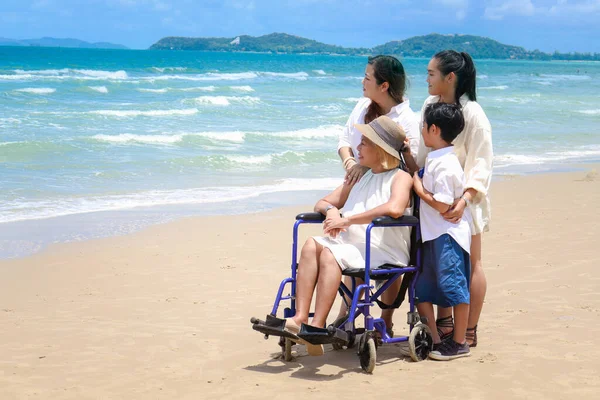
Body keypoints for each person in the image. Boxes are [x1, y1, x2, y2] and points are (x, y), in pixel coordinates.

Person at [285, 115, 414, 356]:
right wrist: (333, 210)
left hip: (381, 248)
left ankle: (317, 325)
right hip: (352, 244)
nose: (358, 147)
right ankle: (301, 317)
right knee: (311, 244)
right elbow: (321, 202)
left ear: (381, 149)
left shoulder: (400, 177)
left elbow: (395, 208)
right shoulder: (361, 176)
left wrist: (347, 219)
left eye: (365, 142)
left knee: (330, 254)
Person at [405, 50, 493, 347]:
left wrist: (464, 200)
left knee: (471, 264)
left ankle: (468, 329)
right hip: (434, 200)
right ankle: (444, 324)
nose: (426, 79)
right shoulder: (430, 104)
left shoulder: (473, 112)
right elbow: (423, 151)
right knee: (441, 264)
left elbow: (482, 161)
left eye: (431, 73)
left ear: (450, 77)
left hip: (465, 201)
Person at [336, 55, 420, 329]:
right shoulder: (363, 106)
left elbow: (410, 164)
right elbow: (345, 140)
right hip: (361, 183)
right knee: (352, 244)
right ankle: (345, 317)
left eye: (368, 77)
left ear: (384, 86)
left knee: (384, 252)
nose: (362, 81)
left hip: (390, 186)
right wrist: (353, 164)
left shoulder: (407, 119)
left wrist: (370, 165)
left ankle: (385, 318)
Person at [412, 102, 472, 360]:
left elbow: (443, 203)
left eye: (423, 127)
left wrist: (418, 187)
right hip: (433, 234)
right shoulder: (437, 158)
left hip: (448, 235)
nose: (422, 131)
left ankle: (459, 342)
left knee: (454, 286)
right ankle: (435, 339)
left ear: (434, 129)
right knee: (422, 289)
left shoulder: (446, 164)